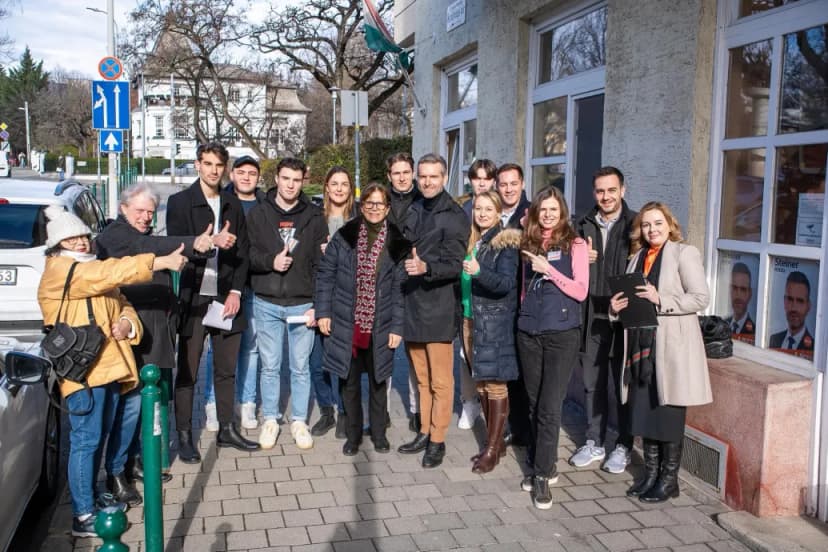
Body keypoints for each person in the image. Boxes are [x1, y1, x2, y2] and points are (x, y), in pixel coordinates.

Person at [37, 206, 187, 537]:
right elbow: (110, 274)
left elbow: (124, 303)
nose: (80, 243)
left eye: (83, 237)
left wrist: (125, 323)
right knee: (85, 440)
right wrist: (158, 262)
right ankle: (82, 514)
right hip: (83, 371)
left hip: (109, 367)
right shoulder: (63, 271)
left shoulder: (88, 268)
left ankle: (91, 498)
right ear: (57, 244)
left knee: (97, 437)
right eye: (71, 238)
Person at [95, 183, 214, 503]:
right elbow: (148, 246)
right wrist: (193, 242)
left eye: (150, 212)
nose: (146, 217)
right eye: (140, 211)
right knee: (131, 406)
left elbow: (151, 244)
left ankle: (134, 461)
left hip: (153, 332)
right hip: (130, 334)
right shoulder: (115, 235)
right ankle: (115, 472)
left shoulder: (141, 235)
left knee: (145, 406)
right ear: (123, 208)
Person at [610, 201, 712, 503]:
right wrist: (615, 309)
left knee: (667, 414)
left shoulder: (684, 253)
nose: (651, 229)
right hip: (641, 348)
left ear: (669, 224)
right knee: (644, 412)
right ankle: (650, 475)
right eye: (646, 224)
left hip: (671, 350)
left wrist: (661, 299)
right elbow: (629, 301)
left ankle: (669, 481)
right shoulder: (636, 257)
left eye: (657, 223)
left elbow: (700, 298)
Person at [166, 142, 260, 464]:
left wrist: (235, 292)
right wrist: (207, 244)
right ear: (197, 165)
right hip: (194, 298)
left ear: (225, 168)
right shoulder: (179, 203)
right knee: (188, 371)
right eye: (207, 164)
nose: (213, 170)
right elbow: (176, 248)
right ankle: (183, 435)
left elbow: (244, 254)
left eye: (219, 165)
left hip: (225, 299)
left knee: (225, 369)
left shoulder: (233, 204)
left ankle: (226, 429)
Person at [315, 183, 410, 455]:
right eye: (369, 203)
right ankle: (353, 436)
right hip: (348, 322)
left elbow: (399, 289)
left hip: (381, 324)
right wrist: (323, 312)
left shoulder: (396, 241)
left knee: (379, 383)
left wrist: (397, 327)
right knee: (350, 383)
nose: (374, 209)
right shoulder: (345, 236)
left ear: (388, 208)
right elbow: (326, 275)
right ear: (361, 205)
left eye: (380, 204)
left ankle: (378, 434)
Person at [247, 157, 329, 450]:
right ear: (277, 179)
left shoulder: (315, 217)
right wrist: (271, 261)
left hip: (302, 303)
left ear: (302, 181)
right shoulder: (258, 214)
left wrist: (318, 305)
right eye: (286, 178)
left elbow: (323, 266)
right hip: (266, 301)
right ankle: (270, 419)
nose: (291, 185)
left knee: (300, 366)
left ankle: (298, 420)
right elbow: (248, 256)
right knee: (269, 365)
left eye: (296, 180)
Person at [517, 186, 588, 510]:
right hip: (529, 331)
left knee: (549, 407)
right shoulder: (526, 242)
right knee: (533, 404)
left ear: (562, 213)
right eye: (541, 210)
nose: (547, 215)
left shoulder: (575, 244)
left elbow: (581, 291)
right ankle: (543, 462)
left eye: (552, 210)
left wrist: (550, 271)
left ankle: (542, 476)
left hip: (561, 334)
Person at [397, 153, 469, 468]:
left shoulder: (454, 215)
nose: (427, 182)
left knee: (441, 381)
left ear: (444, 178)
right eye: (422, 176)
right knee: (421, 379)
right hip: (412, 304)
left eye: (433, 177)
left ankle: (437, 440)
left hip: (439, 307)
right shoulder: (413, 207)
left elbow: (455, 264)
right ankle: (424, 431)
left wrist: (427, 267)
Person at [570, 166, 637, 474]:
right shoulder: (581, 225)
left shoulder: (635, 225)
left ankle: (623, 446)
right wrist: (580, 260)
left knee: (622, 386)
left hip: (623, 320)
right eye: (600, 191)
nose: (606, 196)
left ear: (622, 190)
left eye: (612, 190)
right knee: (591, 384)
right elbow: (566, 267)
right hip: (592, 317)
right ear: (594, 193)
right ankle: (594, 441)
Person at [203, 155, 267, 431]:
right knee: (219, 351)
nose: (246, 177)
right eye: (241, 172)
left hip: (256, 286)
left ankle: (247, 404)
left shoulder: (266, 204)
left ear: (258, 177)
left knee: (251, 349)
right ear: (233, 174)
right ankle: (212, 405)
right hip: (223, 287)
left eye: (252, 173)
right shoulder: (222, 201)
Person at [460, 191, 521, 473]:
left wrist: (478, 271)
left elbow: (506, 284)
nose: (482, 213)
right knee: (482, 383)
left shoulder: (505, 243)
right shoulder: (477, 240)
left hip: (493, 323)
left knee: (495, 385)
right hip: (471, 320)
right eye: (478, 209)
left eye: (488, 209)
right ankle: (495, 442)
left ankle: (493, 449)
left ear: (499, 212)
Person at [310, 166, 358, 438]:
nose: (339, 189)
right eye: (334, 184)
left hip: (349, 302)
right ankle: (327, 410)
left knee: (344, 362)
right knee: (317, 362)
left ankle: (345, 412)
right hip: (319, 298)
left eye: (344, 184)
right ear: (326, 188)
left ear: (350, 189)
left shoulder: (359, 218)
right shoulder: (316, 219)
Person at [385, 151, 423, 433]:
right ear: (389, 176)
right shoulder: (378, 200)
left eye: (405, 172)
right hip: (384, 282)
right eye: (396, 173)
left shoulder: (423, 201)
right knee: (383, 349)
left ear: (412, 173)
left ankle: (416, 409)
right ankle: (381, 410)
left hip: (414, 281)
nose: (401, 177)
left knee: (414, 351)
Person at [495, 163, 533, 448]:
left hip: (525, 303)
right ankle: (512, 427)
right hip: (498, 304)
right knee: (506, 371)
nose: (508, 189)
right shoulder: (492, 213)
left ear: (522, 183)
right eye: (503, 184)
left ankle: (526, 430)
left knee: (524, 374)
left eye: (513, 183)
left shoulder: (532, 214)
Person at [769, 271, 814, 354]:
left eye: (800, 301)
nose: (794, 307)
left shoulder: (814, 349)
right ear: (784, 302)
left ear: (808, 306)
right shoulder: (773, 340)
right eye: (790, 299)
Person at [725, 262, 755, 340]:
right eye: (734, 288)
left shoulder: (756, 332)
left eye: (743, 289)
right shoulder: (723, 324)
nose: (738, 295)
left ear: (750, 294)